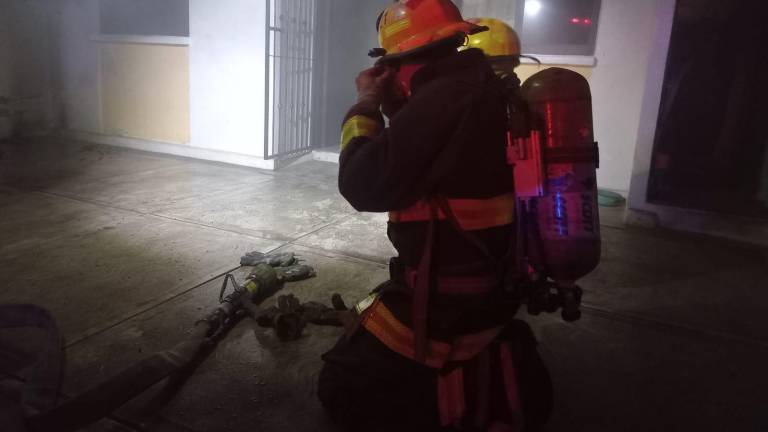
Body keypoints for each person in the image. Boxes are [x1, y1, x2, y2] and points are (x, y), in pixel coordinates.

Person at [318, 2, 552, 430]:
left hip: (450, 303)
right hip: (494, 287)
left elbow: (362, 183)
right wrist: (398, 109)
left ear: (398, 65)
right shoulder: (480, 90)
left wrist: (366, 105)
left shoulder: (444, 101)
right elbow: (428, 157)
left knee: (340, 385)